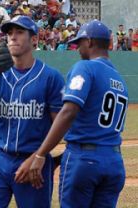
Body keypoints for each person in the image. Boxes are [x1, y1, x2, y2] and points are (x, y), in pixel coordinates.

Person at [29, 20, 128, 208]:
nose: (77, 48)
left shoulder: (85, 67)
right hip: (114, 162)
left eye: (79, 43)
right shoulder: (119, 78)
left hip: (84, 161)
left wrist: (41, 154)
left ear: (89, 42)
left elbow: (68, 111)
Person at [0, 15, 65, 208]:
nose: (13, 37)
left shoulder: (51, 77)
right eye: (9, 33)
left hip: (34, 162)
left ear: (34, 39)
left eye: (20, 32)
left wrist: (38, 156)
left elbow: (60, 126)